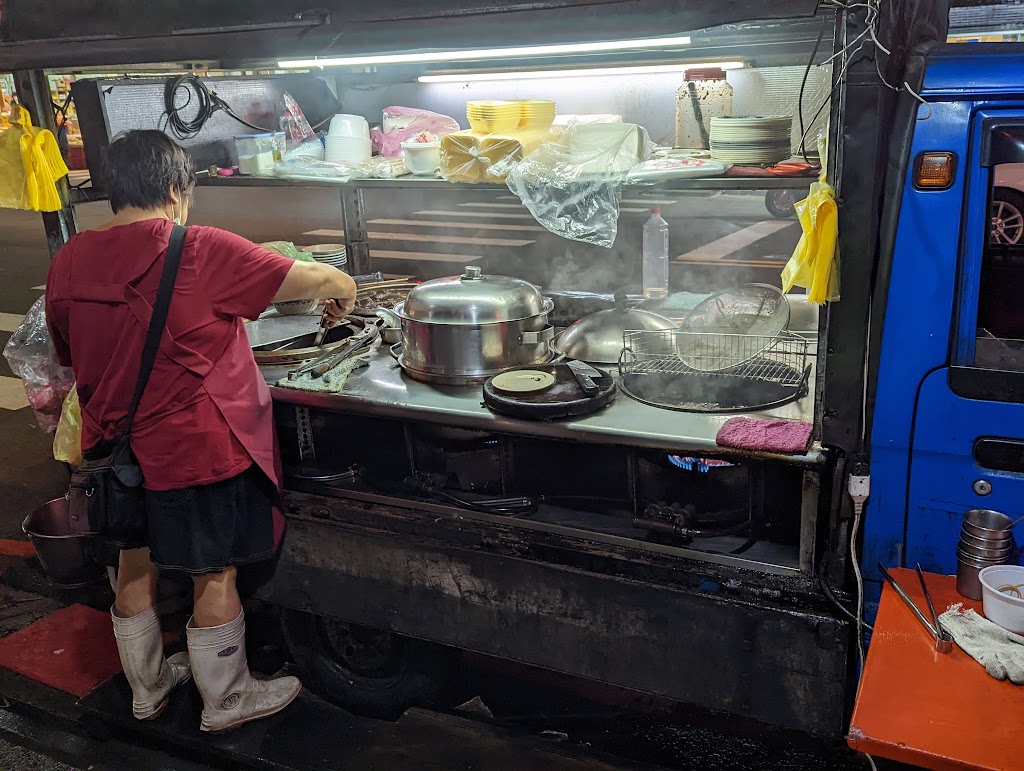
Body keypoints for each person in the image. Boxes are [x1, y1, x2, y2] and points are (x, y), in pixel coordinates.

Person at [45, 130, 356, 732]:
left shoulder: (69, 259)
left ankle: (148, 689)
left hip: (113, 448)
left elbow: (67, 353)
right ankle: (228, 700)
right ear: (174, 189)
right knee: (214, 572)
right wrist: (344, 287)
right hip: (194, 448)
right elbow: (317, 279)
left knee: (133, 567)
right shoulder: (198, 248)